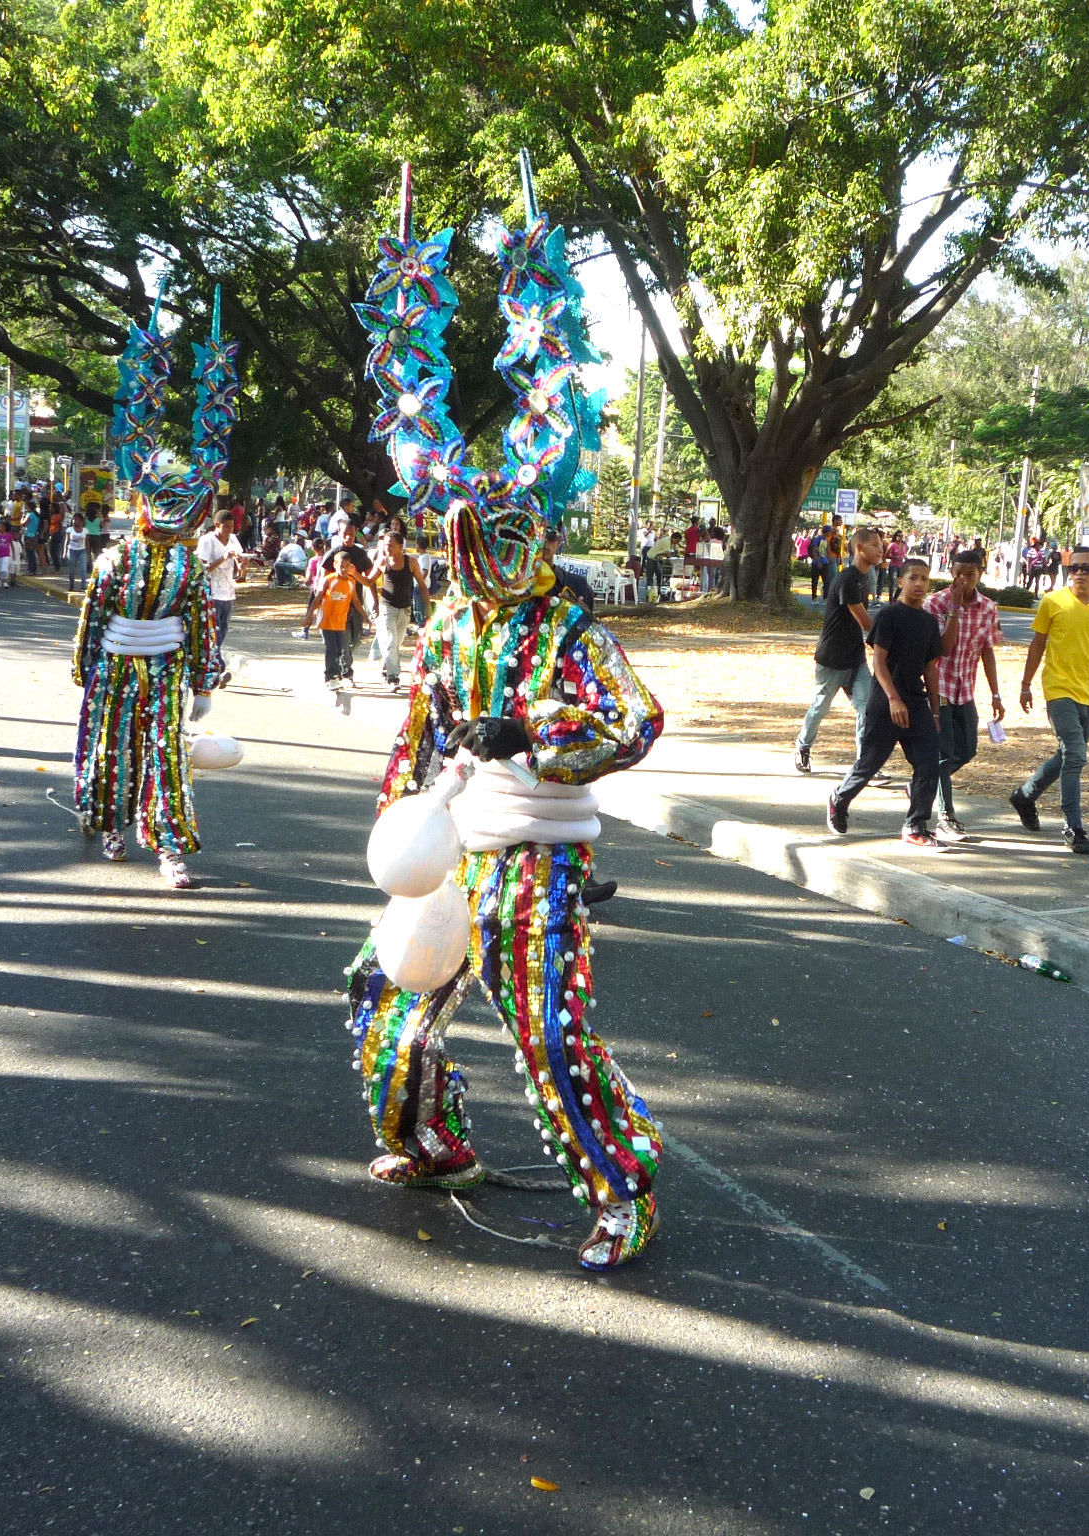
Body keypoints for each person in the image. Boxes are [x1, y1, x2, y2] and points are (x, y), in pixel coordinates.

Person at [341, 204, 663, 1270]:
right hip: (450, 847)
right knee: (382, 1001)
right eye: (485, 536)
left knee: (547, 1030)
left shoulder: (569, 628)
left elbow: (635, 720)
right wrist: (399, 826)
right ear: (458, 539)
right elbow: (421, 728)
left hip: (538, 854)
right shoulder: (442, 622)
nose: (501, 554)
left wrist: (531, 738)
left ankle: (622, 1193)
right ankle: (429, 1141)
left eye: (521, 534)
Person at [73, 301, 235, 890]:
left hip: (163, 668)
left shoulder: (189, 567)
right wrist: (87, 667)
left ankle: (168, 846)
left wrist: (202, 677)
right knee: (113, 746)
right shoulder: (116, 558)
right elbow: (94, 620)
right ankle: (110, 823)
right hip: (119, 665)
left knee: (165, 755)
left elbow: (199, 625)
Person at [825, 558, 947, 849]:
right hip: (886, 700)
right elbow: (877, 661)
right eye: (913, 578)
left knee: (929, 763)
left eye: (924, 579)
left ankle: (916, 825)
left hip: (916, 701)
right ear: (901, 582)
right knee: (870, 763)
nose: (919, 584)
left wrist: (935, 710)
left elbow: (931, 668)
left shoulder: (929, 622)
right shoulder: (889, 616)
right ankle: (839, 798)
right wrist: (893, 698)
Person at [1009, 543, 1089, 855]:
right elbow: (1037, 644)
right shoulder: (1053, 601)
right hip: (1057, 689)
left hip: (1088, 690)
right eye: (1075, 568)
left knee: (1070, 753)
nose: (1080, 574)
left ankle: (1025, 795)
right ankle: (1074, 826)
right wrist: (1026, 684)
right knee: (1075, 754)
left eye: (1087, 568)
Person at [924, 547, 1004, 842]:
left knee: (967, 750)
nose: (962, 580)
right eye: (957, 574)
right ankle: (946, 817)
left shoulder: (988, 608)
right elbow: (939, 649)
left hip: (965, 689)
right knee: (944, 752)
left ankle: (928, 780)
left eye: (969, 575)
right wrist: (954, 609)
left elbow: (987, 650)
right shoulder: (936, 604)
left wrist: (996, 693)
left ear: (980, 574)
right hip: (940, 686)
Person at [793, 525, 883, 774]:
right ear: (860, 548)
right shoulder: (847, 579)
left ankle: (865, 764)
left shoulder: (864, 577)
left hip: (855, 659)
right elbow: (865, 622)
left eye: (881, 545)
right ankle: (803, 747)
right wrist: (891, 640)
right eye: (875, 545)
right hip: (831, 658)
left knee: (867, 709)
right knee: (821, 706)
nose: (881, 549)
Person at [303, 537, 368, 696]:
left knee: (342, 650)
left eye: (347, 566)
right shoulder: (328, 580)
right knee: (331, 649)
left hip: (341, 622)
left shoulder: (351, 582)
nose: (343, 569)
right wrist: (309, 617)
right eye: (341, 566)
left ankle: (338, 676)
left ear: (351, 566)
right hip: (327, 621)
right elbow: (318, 598)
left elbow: (356, 602)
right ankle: (330, 677)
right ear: (334, 565)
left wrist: (366, 617)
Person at [370, 522, 424, 688]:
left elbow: (422, 586)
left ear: (401, 546)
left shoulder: (412, 563)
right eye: (386, 545)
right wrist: (354, 575)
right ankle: (393, 678)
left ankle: (386, 669)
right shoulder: (382, 561)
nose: (388, 548)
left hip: (405, 609)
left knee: (396, 643)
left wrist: (427, 608)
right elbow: (369, 581)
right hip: (387, 607)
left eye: (391, 545)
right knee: (391, 641)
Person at [196, 509, 245, 638]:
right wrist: (223, 557)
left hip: (228, 592)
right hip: (212, 591)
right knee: (213, 628)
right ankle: (215, 656)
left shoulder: (233, 539)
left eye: (232, 526)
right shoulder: (207, 540)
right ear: (217, 525)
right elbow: (203, 568)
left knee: (223, 627)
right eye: (226, 526)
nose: (230, 530)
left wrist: (242, 565)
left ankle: (217, 654)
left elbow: (239, 560)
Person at [542, 527, 595, 606]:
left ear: (559, 543)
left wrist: (579, 612)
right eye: (534, 533)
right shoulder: (517, 587)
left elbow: (591, 618)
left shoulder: (579, 586)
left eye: (550, 535)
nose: (541, 540)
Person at [64, 512, 90, 589]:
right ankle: (71, 585)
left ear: (81, 521)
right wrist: (64, 552)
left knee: (83, 569)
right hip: (72, 550)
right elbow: (67, 541)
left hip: (82, 550)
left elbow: (87, 543)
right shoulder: (69, 529)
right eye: (73, 519)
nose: (74, 521)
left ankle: (83, 586)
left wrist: (88, 554)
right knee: (72, 569)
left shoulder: (85, 530)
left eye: (76, 519)